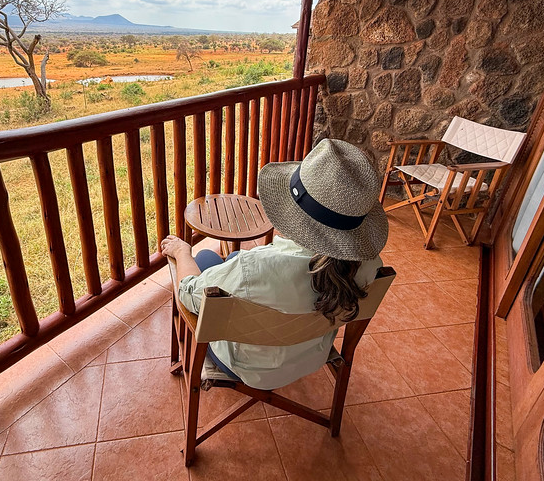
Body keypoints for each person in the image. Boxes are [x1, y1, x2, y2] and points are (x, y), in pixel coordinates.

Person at [160, 139, 388, 391]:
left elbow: (188, 291)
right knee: (233, 263)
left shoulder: (254, 268)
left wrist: (182, 252)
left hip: (249, 368)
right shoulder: (371, 266)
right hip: (312, 354)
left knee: (204, 259)